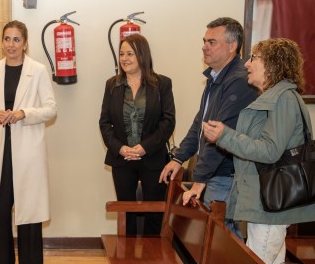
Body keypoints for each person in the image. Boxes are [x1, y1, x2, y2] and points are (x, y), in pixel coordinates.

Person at [203, 38, 314, 264]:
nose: (247, 64)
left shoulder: (283, 99)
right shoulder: (274, 97)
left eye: (254, 58)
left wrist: (226, 136)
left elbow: (269, 150)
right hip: (265, 201)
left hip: (270, 204)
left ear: (273, 64)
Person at [159, 17, 258, 239]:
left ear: (232, 46)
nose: (204, 46)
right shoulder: (215, 78)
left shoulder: (238, 80)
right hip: (215, 174)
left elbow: (217, 136)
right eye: (204, 41)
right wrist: (178, 158)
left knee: (224, 242)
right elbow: (200, 124)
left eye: (212, 42)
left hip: (226, 174)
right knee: (216, 242)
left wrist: (199, 180)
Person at [0, 20, 57, 264]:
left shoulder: (38, 71)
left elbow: (50, 109)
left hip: (28, 154)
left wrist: (24, 113)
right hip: (0, 152)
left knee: (30, 213)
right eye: (7, 39)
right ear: (2, 42)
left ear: (25, 43)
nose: (10, 44)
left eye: (16, 40)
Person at [99, 33, 175, 235]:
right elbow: (104, 122)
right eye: (122, 54)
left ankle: (152, 263)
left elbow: (168, 122)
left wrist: (144, 148)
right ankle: (126, 262)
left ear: (142, 55)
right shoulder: (112, 85)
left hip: (153, 158)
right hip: (122, 160)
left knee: (154, 214)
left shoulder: (162, 84)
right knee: (126, 213)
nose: (124, 58)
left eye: (130, 54)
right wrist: (120, 148)